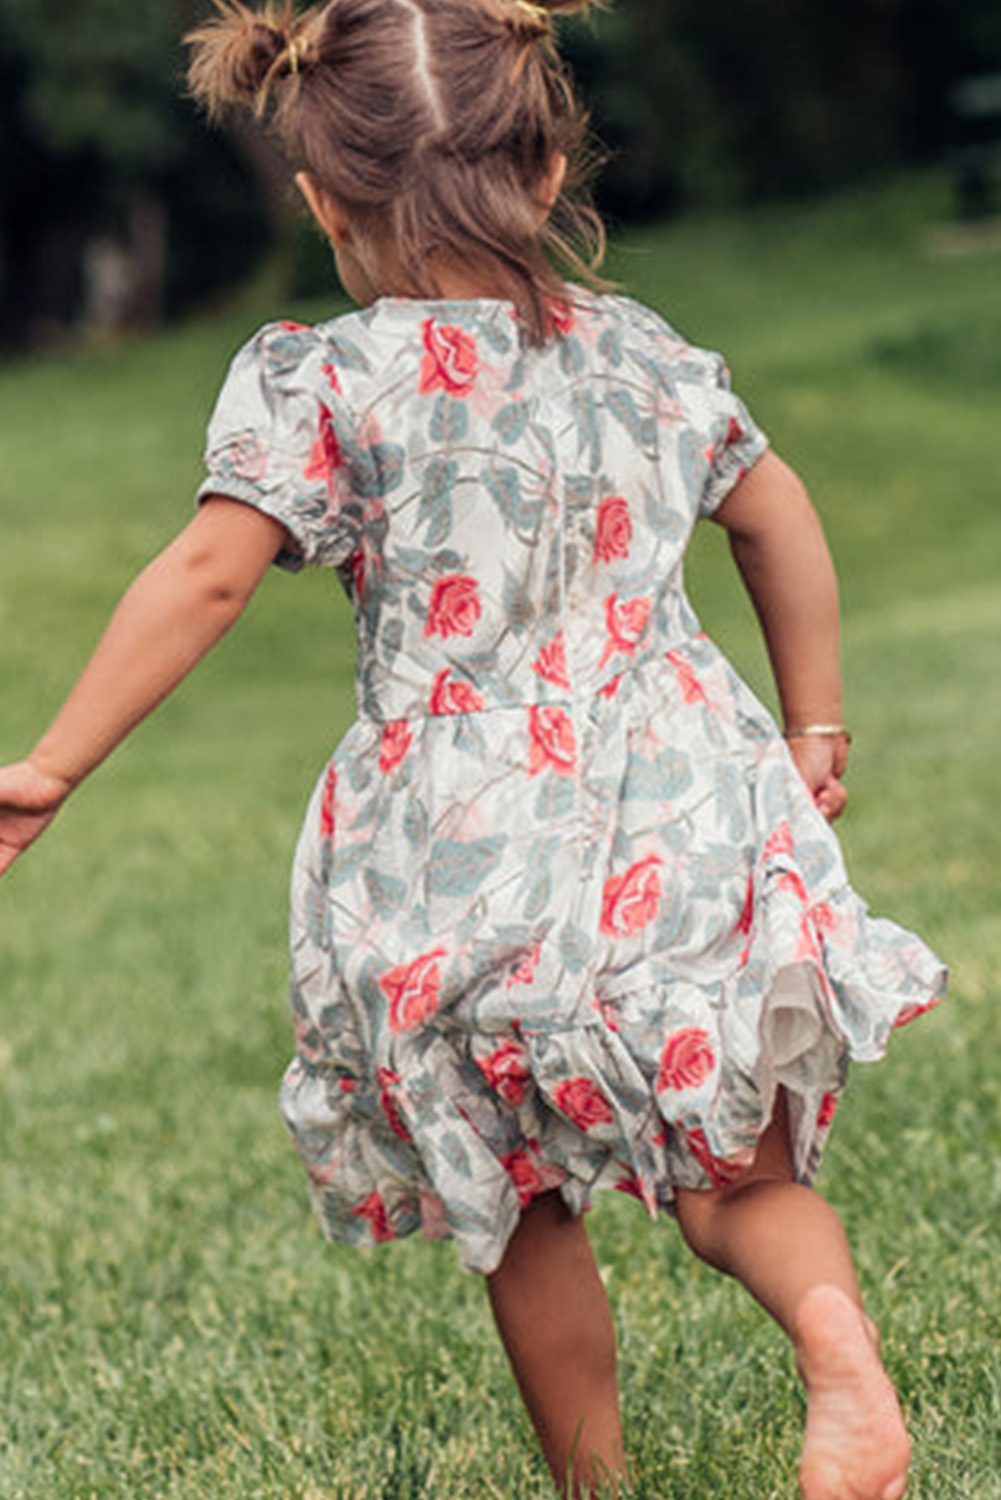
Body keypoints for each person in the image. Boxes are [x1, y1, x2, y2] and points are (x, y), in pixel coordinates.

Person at [0, 1, 946, 1496]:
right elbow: (777, 514)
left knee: (519, 1197)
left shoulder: (332, 379)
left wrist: (52, 763)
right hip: (684, 803)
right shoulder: (646, 355)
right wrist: (814, 723)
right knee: (734, 1172)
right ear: (556, 161)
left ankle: (598, 1485)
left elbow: (207, 574)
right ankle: (841, 1359)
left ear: (320, 202)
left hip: (466, 840)